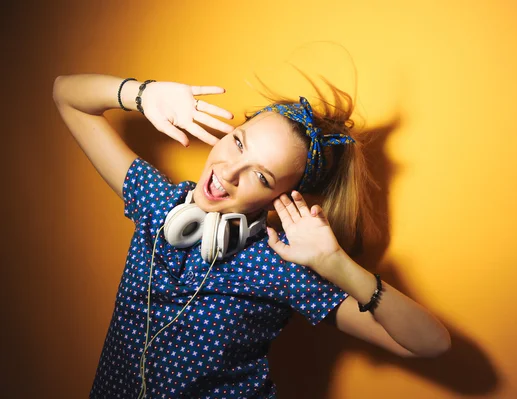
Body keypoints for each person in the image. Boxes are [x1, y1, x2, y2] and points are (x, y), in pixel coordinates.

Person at [53, 74, 451, 399]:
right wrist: (143, 94)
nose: (228, 173)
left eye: (260, 176)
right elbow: (66, 94)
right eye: (238, 142)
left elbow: (430, 343)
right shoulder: (158, 204)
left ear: (279, 199)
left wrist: (338, 266)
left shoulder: (280, 263)